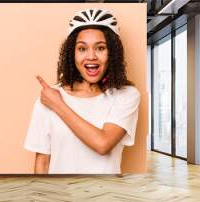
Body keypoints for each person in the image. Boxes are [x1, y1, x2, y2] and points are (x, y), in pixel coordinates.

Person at [24, 9, 140, 174]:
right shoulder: (49, 97)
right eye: (82, 48)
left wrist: (58, 105)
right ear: (72, 54)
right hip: (60, 198)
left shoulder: (126, 95)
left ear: (112, 53)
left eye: (100, 48)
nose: (91, 56)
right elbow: (42, 162)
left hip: (106, 197)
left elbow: (103, 144)